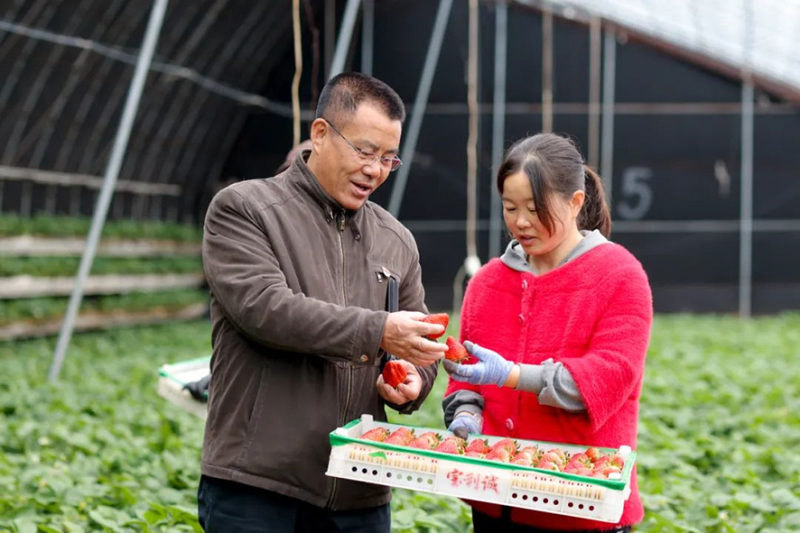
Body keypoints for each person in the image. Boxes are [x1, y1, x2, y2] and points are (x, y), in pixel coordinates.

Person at [198, 72, 447, 533]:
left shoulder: (396, 241)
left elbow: (421, 339)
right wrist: (378, 331)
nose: (375, 169)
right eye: (365, 151)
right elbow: (265, 309)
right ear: (320, 134)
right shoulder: (246, 209)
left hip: (360, 490)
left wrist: (415, 379)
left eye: (388, 158)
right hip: (259, 486)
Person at [442, 132, 652, 533]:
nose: (520, 222)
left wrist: (511, 375)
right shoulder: (487, 282)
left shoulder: (619, 276)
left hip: (584, 509)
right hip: (495, 503)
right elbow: (465, 378)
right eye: (510, 208)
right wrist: (466, 413)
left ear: (575, 203)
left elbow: (609, 378)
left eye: (535, 209)